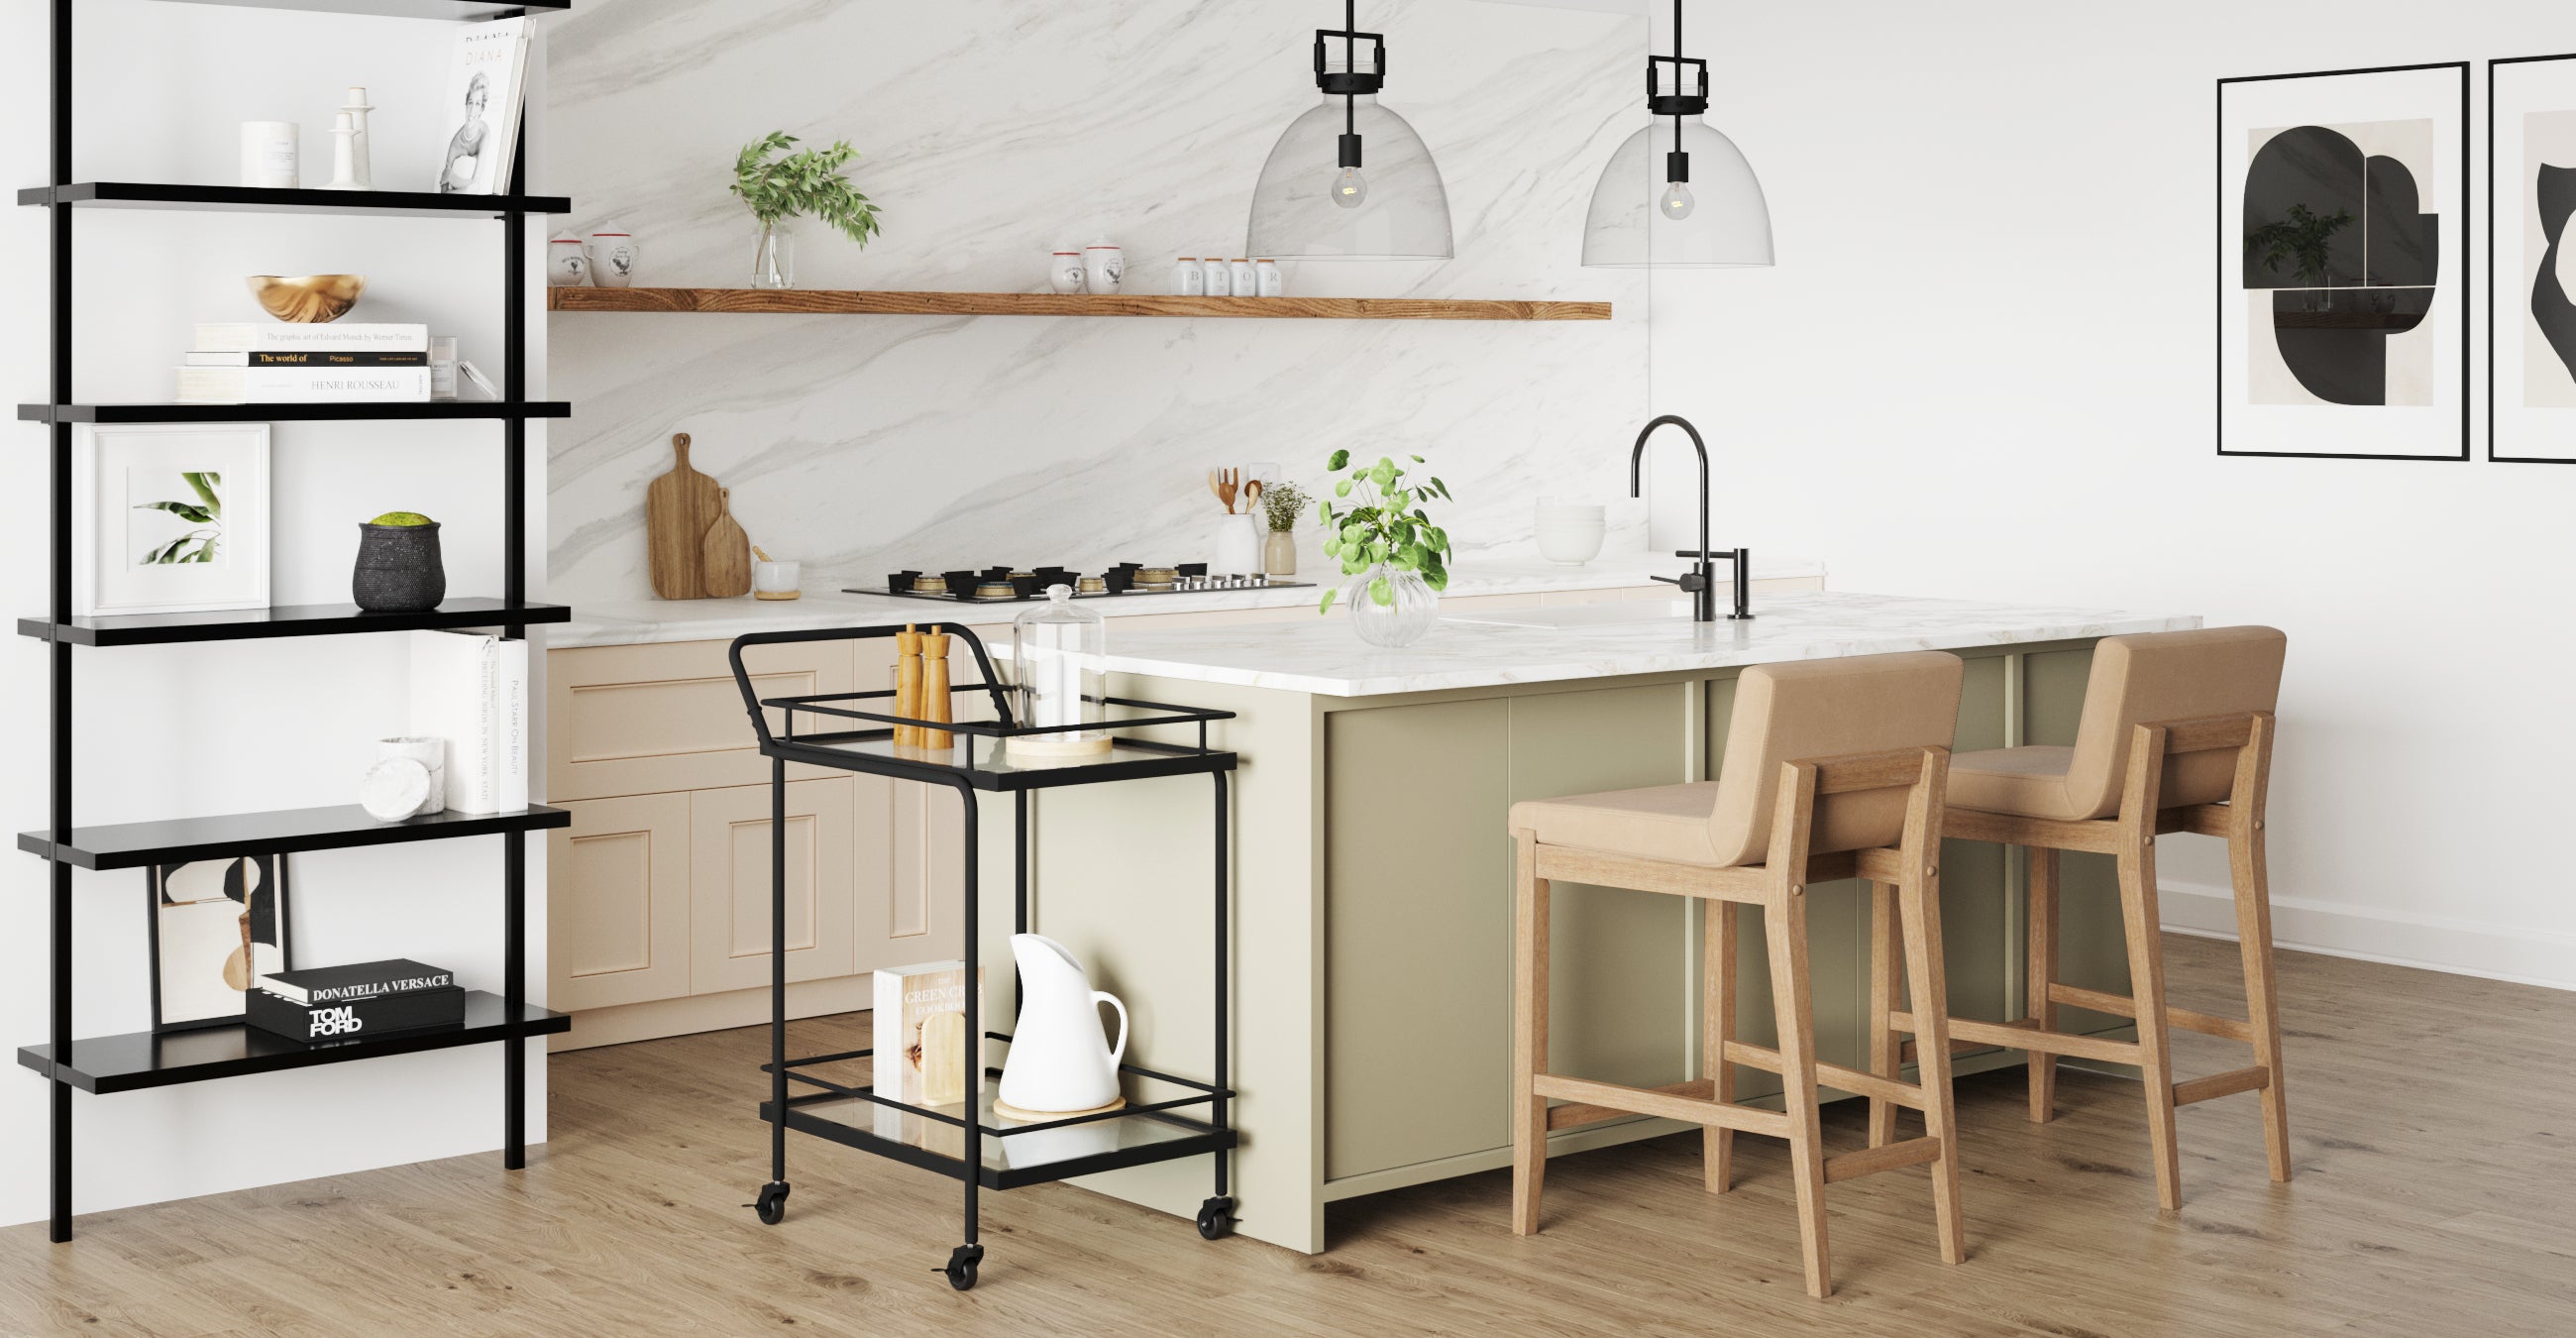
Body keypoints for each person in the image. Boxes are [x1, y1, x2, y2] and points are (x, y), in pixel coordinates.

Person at [439, 71, 491, 194]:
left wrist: (452, 177)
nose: (472, 110)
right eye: (470, 103)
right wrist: (468, 188)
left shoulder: (484, 133)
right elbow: (442, 195)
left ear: (482, 109)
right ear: (466, 104)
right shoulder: (455, 144)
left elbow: (476, 185)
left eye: (477, 104)